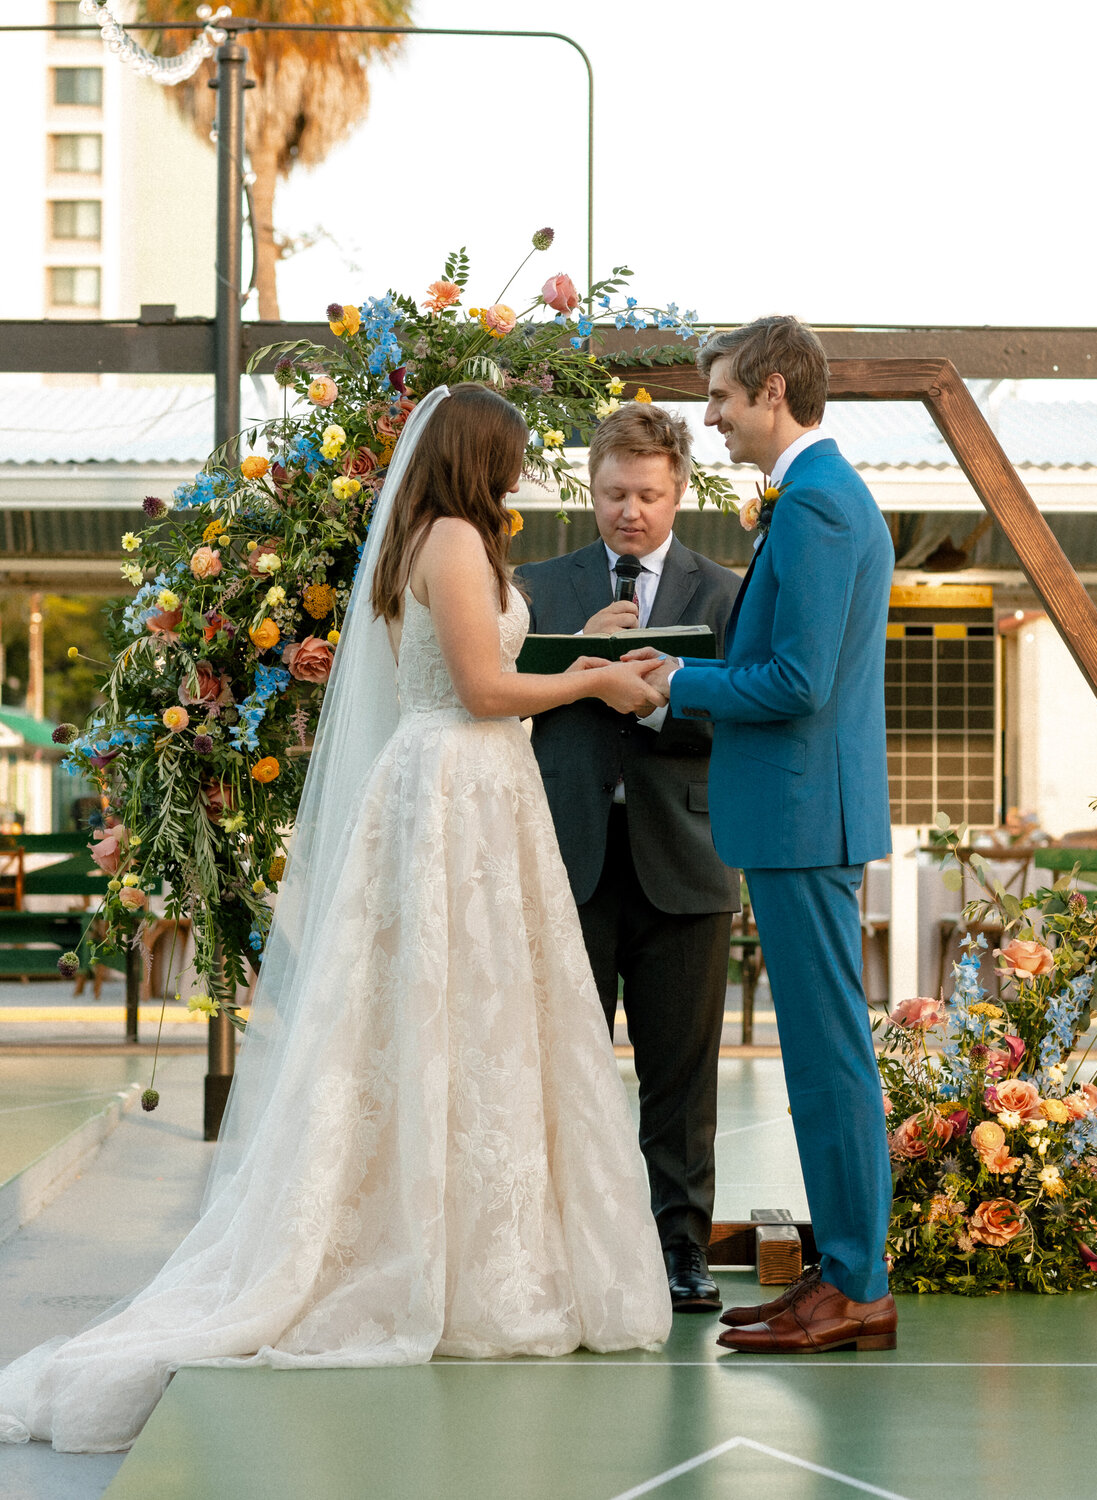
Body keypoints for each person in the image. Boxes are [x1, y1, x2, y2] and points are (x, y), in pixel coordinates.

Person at [0, 384, 672, 1453]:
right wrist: (593, 680)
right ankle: (432, 1256)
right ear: (470, 455)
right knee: (445, 1009)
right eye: (506, 456)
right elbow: (481, 689)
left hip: (478, 793)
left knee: (479, 1016)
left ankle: (468, 1239)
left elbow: (488, 671)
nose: (516, 475)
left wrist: (575, 645)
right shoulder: (451, 538)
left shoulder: (456, 539)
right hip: (454, 788)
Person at [627, 316, 898, 1354]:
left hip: (803, 818)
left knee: (831, 1062)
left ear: (774, 390)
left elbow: (797, 681)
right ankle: (838, 1269)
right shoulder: (812, 503)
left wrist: (672, 679)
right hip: (790, 816)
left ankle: (860, 1284)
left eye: (725, 397)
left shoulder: (823, 506)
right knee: (815, 1061)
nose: (712, 417)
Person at [517, 403, 741, 1313]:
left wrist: (652, 701)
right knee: (555, 1065)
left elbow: (744, 718)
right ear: (592, 486)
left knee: (681, 1074)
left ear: (679, 491)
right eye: (614, 493)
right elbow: (496, 701)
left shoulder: (726, 592)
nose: (629, 512)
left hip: (685, 859)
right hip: (564, 856)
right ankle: (555, 1246)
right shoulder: (536, 584)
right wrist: (583, 667)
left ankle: (680, 1249)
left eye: (648, 495)